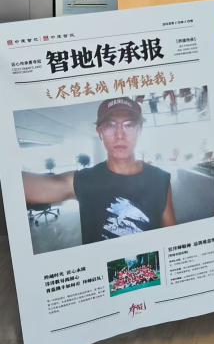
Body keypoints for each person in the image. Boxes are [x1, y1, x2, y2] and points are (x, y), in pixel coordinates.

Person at [22, 97, 177, 245]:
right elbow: (19, 186)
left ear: (139, 131)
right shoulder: (84, 181)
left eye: (129, 125)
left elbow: (172, 236)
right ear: (99, 132)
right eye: (110, 125)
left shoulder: (160, 179)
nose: (120, 135)